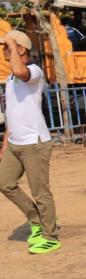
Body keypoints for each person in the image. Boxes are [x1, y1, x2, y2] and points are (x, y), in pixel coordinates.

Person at [0, 31, 60, 254]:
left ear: (21, 49)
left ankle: (50, 236)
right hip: (15, 143)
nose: (4, 51)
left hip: (34, 143)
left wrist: (11, 41)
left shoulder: (34, 71)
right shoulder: (10, 79)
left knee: (40, 192)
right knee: (4, 183)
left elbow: (20, 70)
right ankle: (36, 219)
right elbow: (12, 114)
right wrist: (5, 144)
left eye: (7, 47)